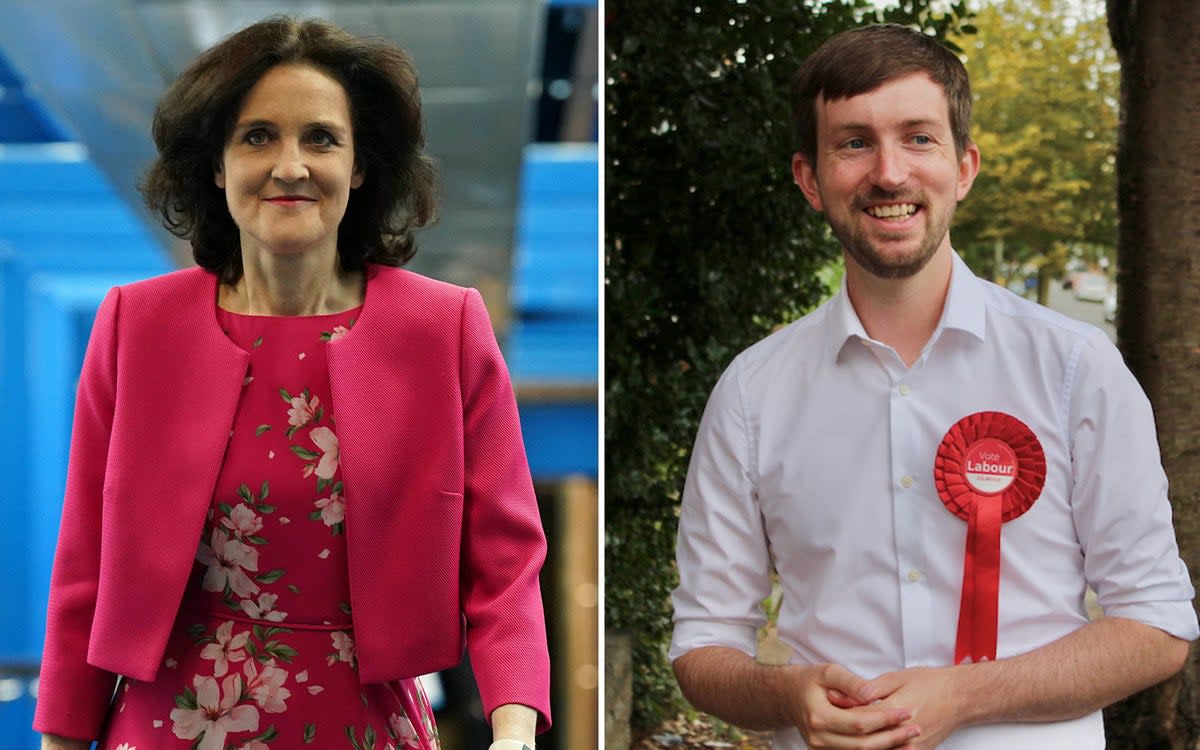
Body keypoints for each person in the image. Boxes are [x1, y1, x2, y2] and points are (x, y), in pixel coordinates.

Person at [670, 23, 1196, 750]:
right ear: (809, 180)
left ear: (965, 167)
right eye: (854, 142)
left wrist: (966, 696)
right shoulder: (752, 393)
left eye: (919, 138)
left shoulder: (1077, 368)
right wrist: (785, 692)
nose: (889, 173)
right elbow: (703, 642)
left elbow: (1158, 624)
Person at [34, 16, 548, 750]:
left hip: (366, 725)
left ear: (361, 165)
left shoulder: (444, 329)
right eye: (257, 136)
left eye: (321, 138)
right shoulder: (134, 326)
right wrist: (57, 741)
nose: (290, 165)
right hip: (168, 725)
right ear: (214, 164)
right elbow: (84, 556)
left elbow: (506, 564)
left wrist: (515, 732)